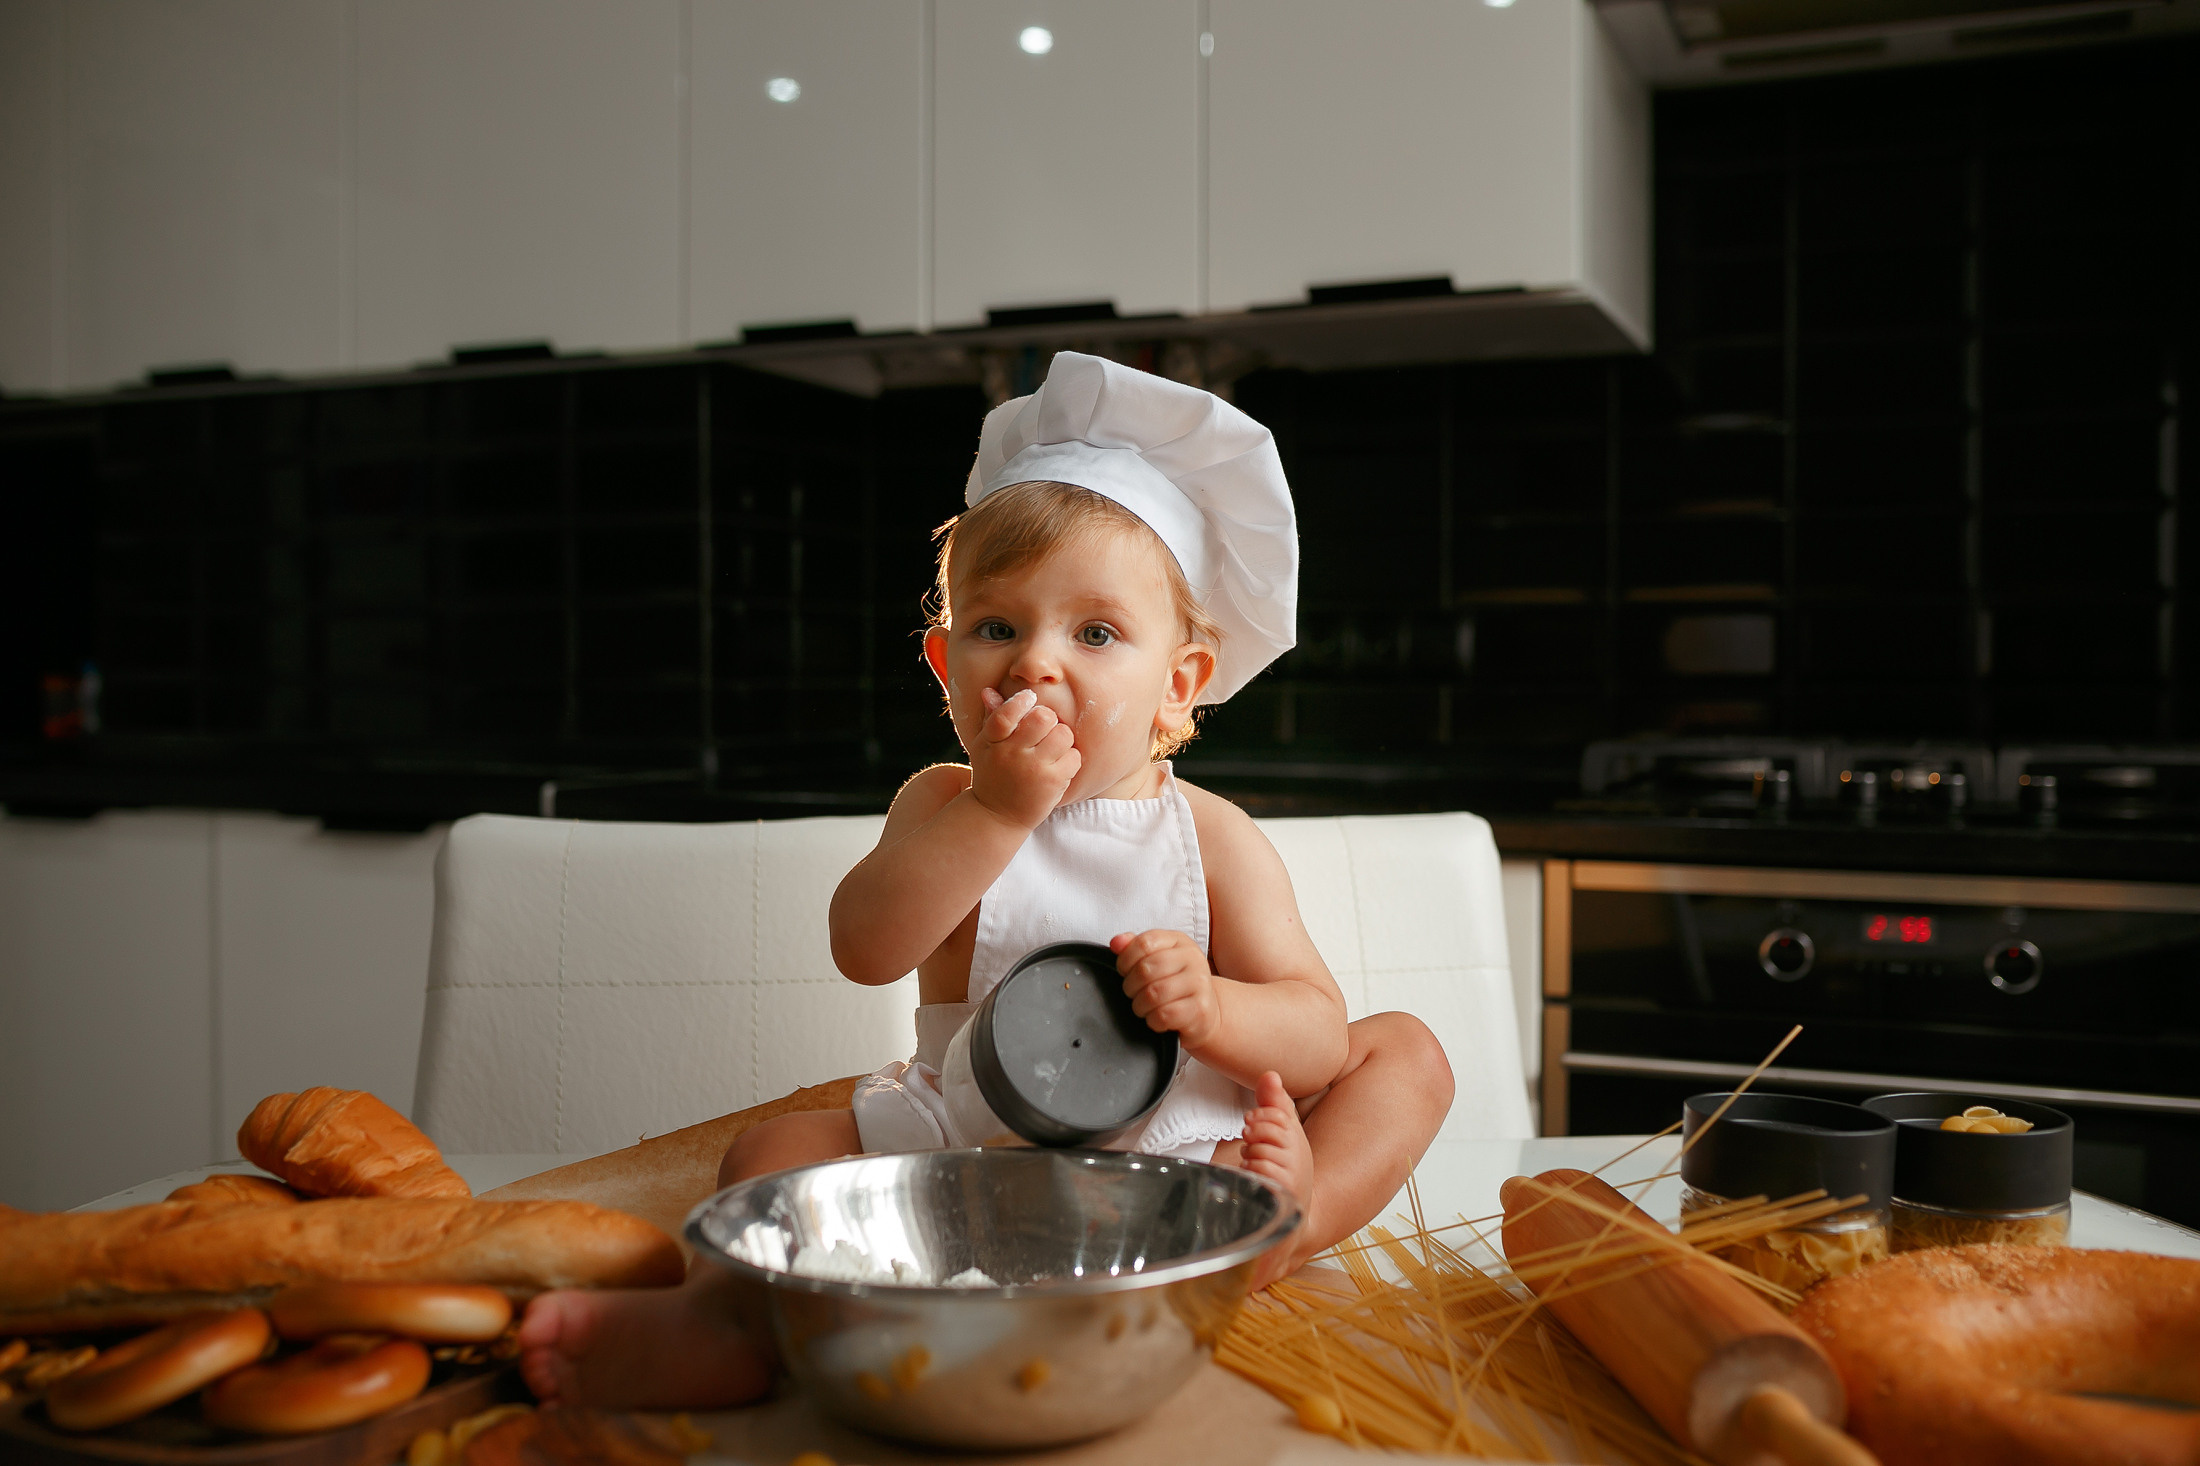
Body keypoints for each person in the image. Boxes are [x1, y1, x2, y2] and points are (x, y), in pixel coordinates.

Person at [517, 353, 1455, 1409]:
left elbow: (1318, 1032)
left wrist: (1216, 1007)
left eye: (1094, 632)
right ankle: (734, 1324)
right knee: (768, 1152)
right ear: (942, 661)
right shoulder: (943, 802)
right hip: (968, 1163)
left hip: (1184, 1171)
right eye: (995, 626)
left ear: (1178, 682)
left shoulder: (1213, 837)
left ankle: (1288, 1222)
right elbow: (863, 944)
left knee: (1405, 1052)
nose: (1033, 662)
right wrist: (998, 811)